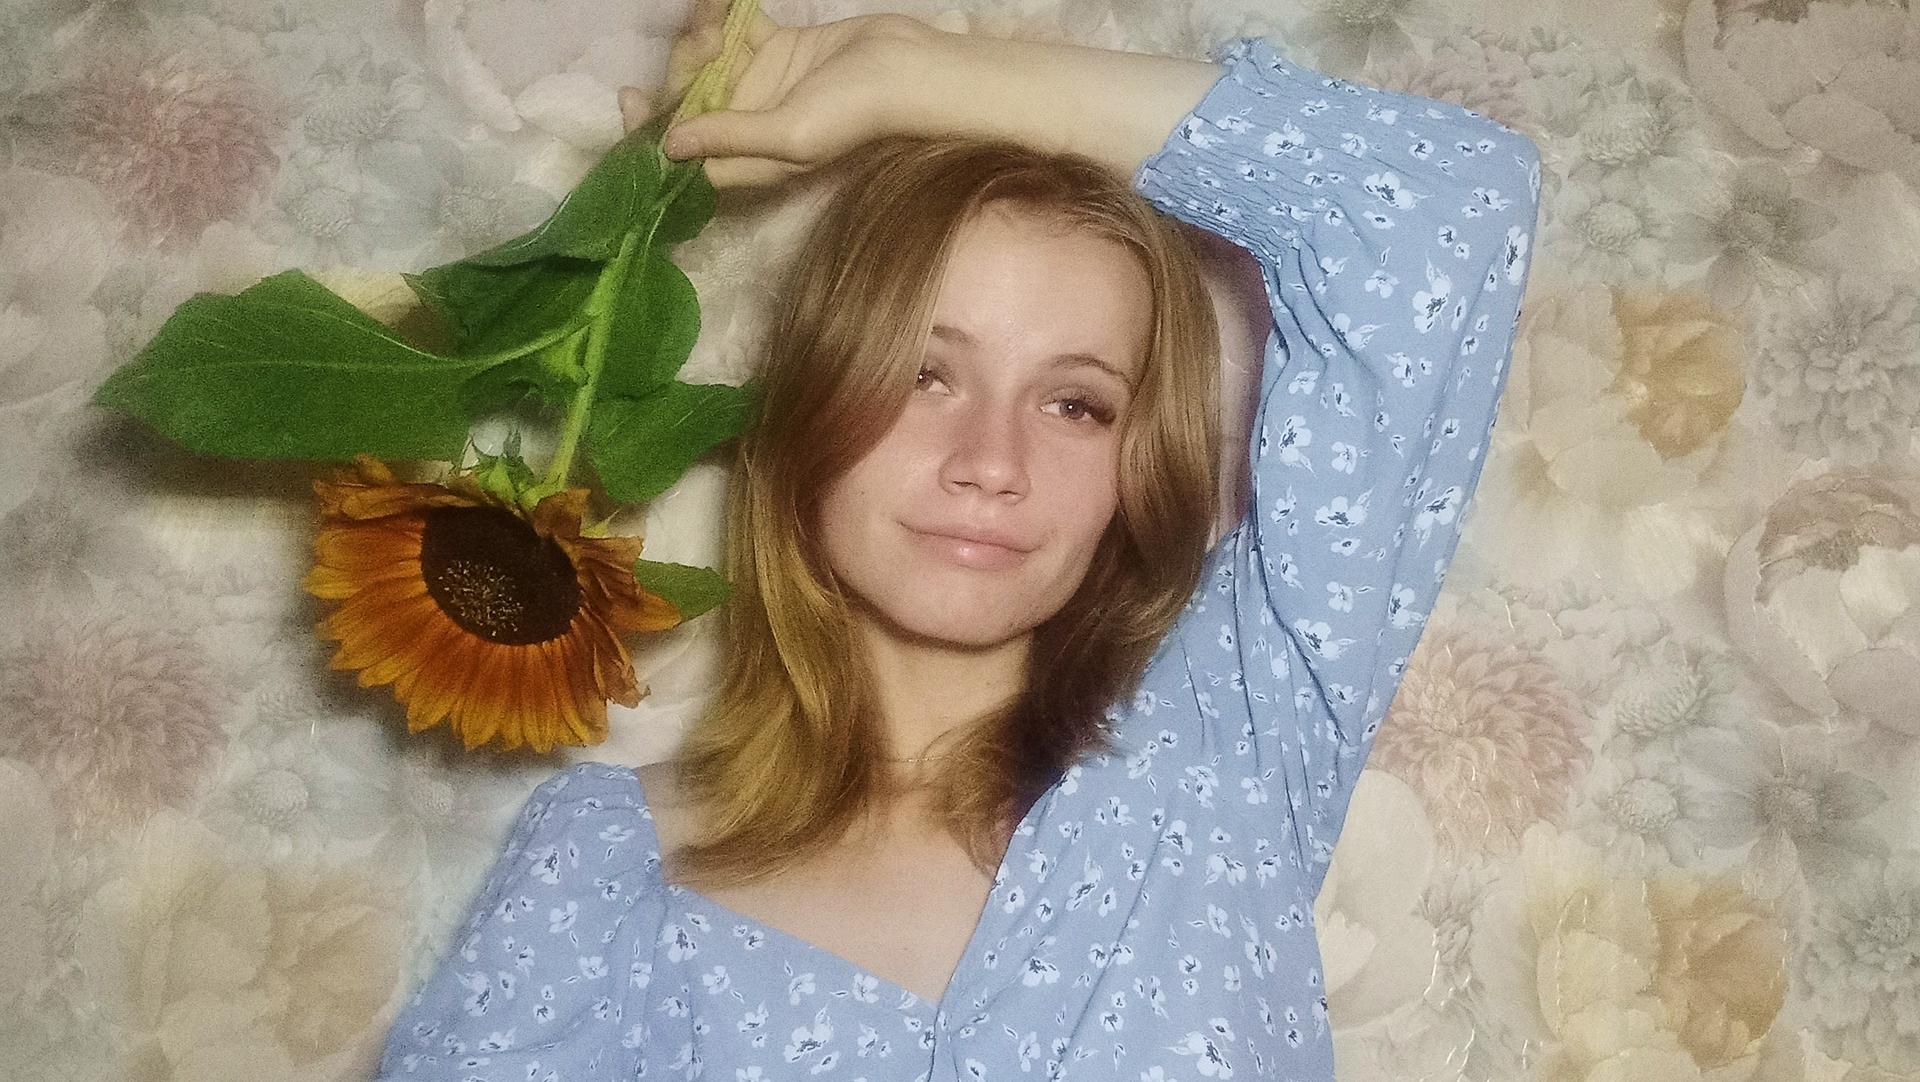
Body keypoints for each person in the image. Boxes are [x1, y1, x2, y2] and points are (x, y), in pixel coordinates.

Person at [375, 2, 1541, 1078]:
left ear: (1137, 468)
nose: (992, 459)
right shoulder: (604, 878)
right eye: (925, 373)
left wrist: (910, 72)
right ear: (814, 404)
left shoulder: (1226, 757)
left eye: (1075, 402)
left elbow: (1444, 208)